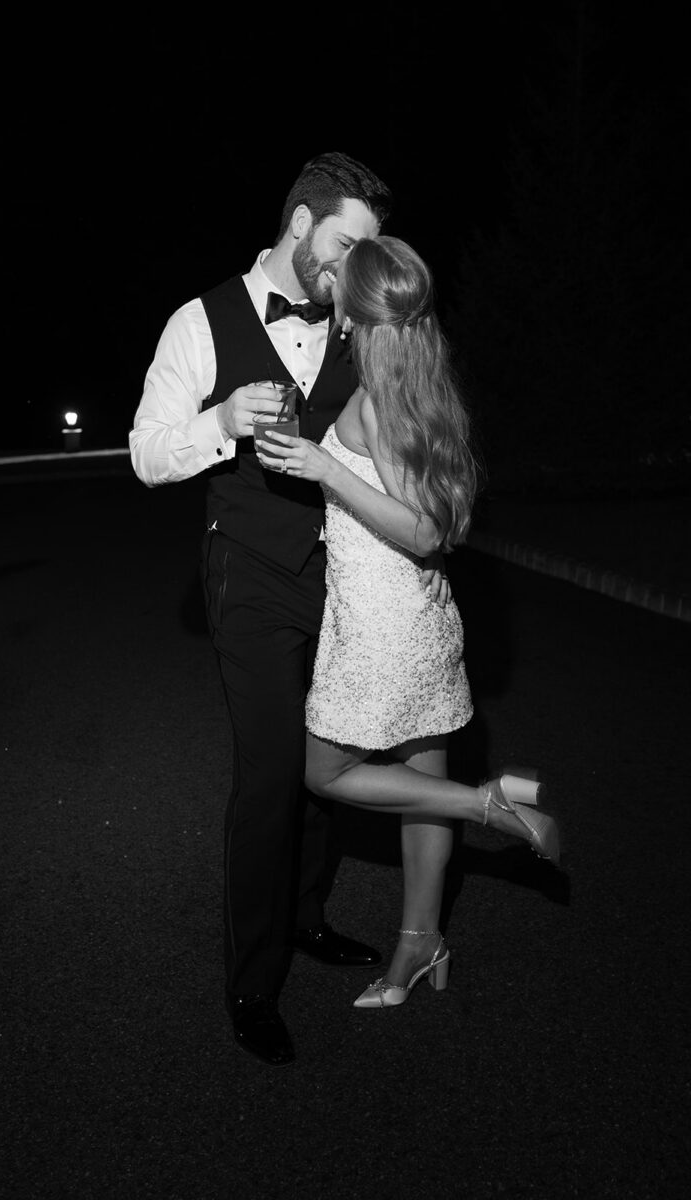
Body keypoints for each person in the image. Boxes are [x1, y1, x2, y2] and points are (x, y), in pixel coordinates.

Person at [129, 153, 451, 1066]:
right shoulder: (199, 322)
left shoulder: (357, 315)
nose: (354, 264)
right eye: (346, 242)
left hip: (351, 579)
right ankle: (252, 978)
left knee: (329, 762)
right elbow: (147, 454)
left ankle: (308, 916)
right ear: (301, 224)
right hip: (252, 577)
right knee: (270, 776)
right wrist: (221, 421)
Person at [255, 235, 560, 1009]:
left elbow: (426, 532)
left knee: (325, 772)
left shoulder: (378, 399)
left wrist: (324, 467)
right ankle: (419, 948)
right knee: (420, 788)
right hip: (426, 620)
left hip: (380, 630)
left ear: (354, 320)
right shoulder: (423, 384)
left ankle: (491, 805)